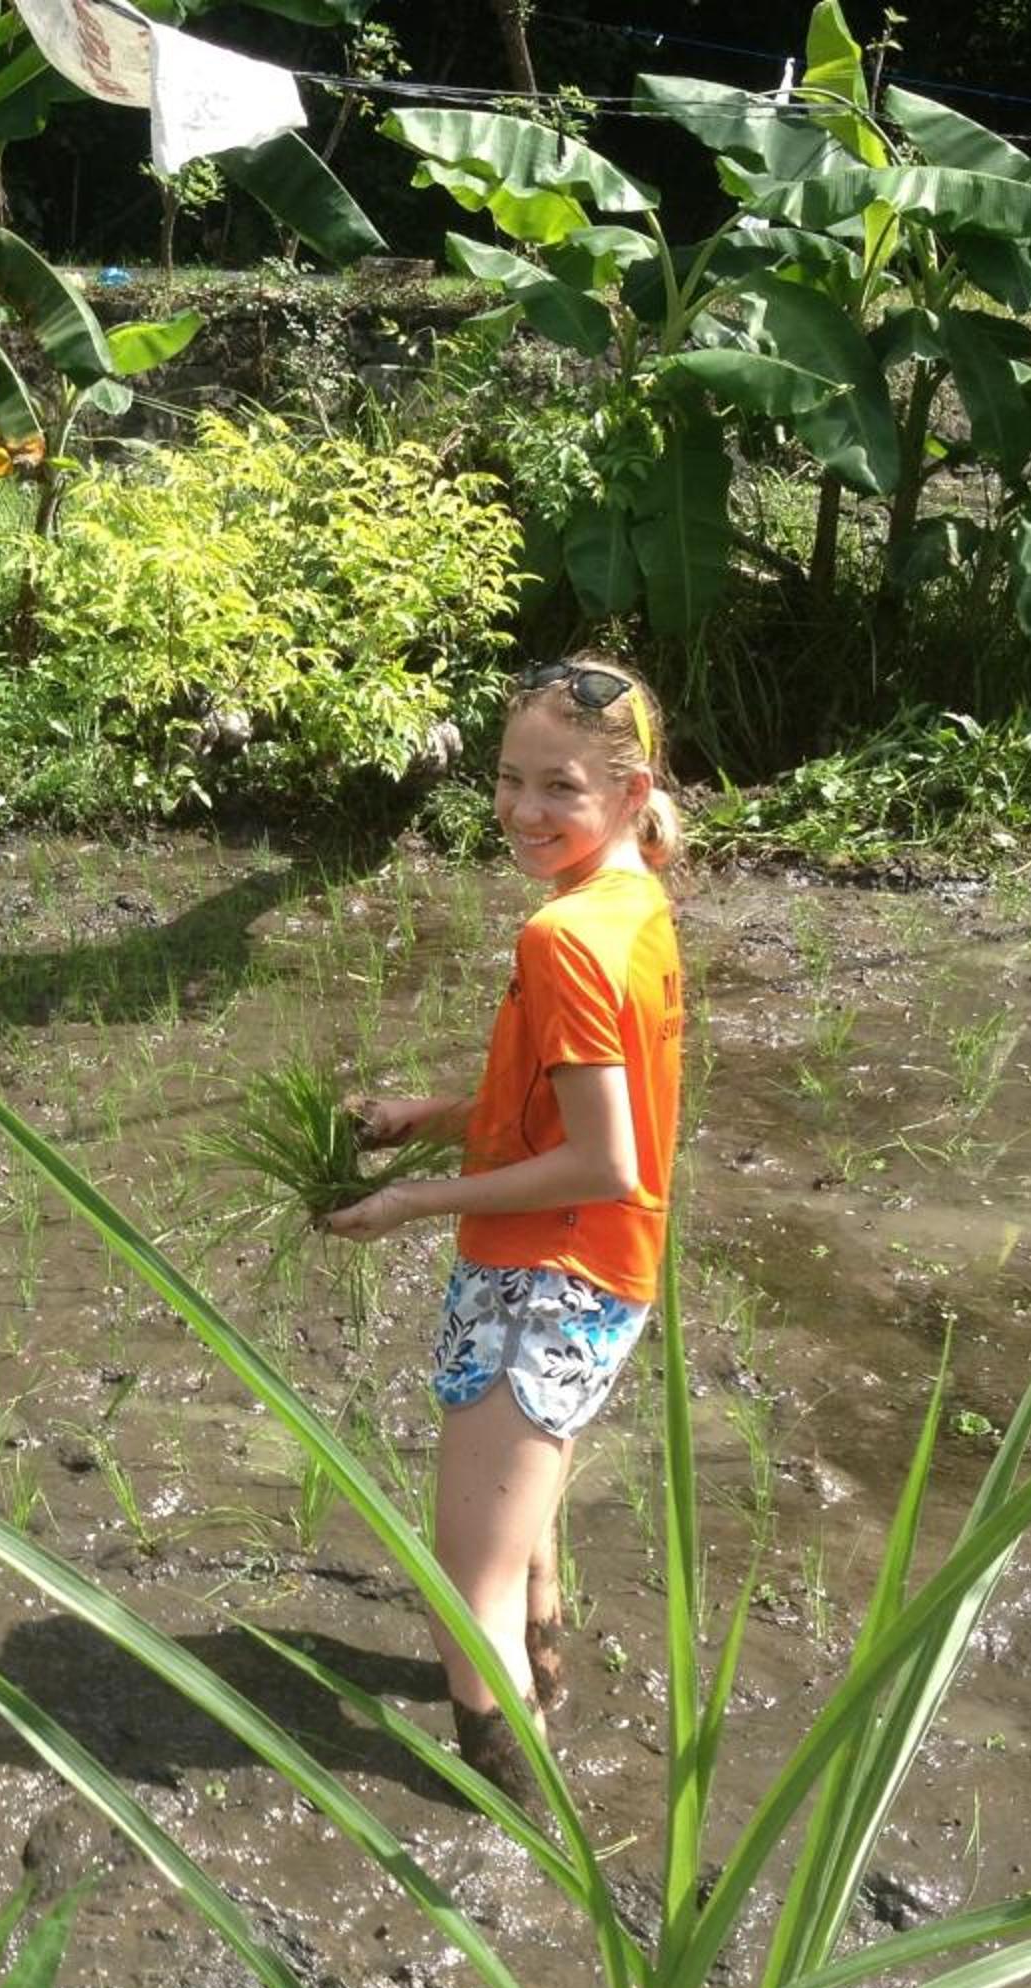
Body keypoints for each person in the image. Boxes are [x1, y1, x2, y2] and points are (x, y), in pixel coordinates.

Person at [324, 656, 684, 1811]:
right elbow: (569, 1113)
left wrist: (411, 1203)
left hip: (542, 1282)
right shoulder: (636, 904)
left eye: (560, 787)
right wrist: (429, 1118)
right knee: (523, 1518)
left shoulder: (562, 941)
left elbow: (603, 1159)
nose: (524, 810)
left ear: (631, 792)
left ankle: (521, 1813)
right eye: (509, 779)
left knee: (458, 1586)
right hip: (609, 1279)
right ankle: (547, 1668)